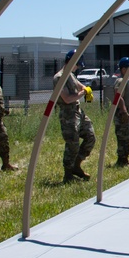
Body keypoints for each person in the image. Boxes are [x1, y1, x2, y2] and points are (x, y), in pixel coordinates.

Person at [54, 49, 95, 182]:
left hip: (78, 112)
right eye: (77, 64)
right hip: (68, 114)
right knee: (72, 144)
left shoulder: (70, 75)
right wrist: (83, 94)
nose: (77, 67)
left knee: (90, 136)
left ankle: (76, 165)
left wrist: (86, 89)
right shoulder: (59, 77)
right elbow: (66, 98)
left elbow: (79, 85)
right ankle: (68, 174)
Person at [113, 57, 129, 167]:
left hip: (128, 111)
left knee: (127, 136)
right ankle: (121, 159)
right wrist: (124, 111)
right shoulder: (121, 81)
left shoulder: (127, 80)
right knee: (123, 137)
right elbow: (119, 97)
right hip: (122, 113)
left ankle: (125, 158)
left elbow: (128, 97)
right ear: (123, 69)